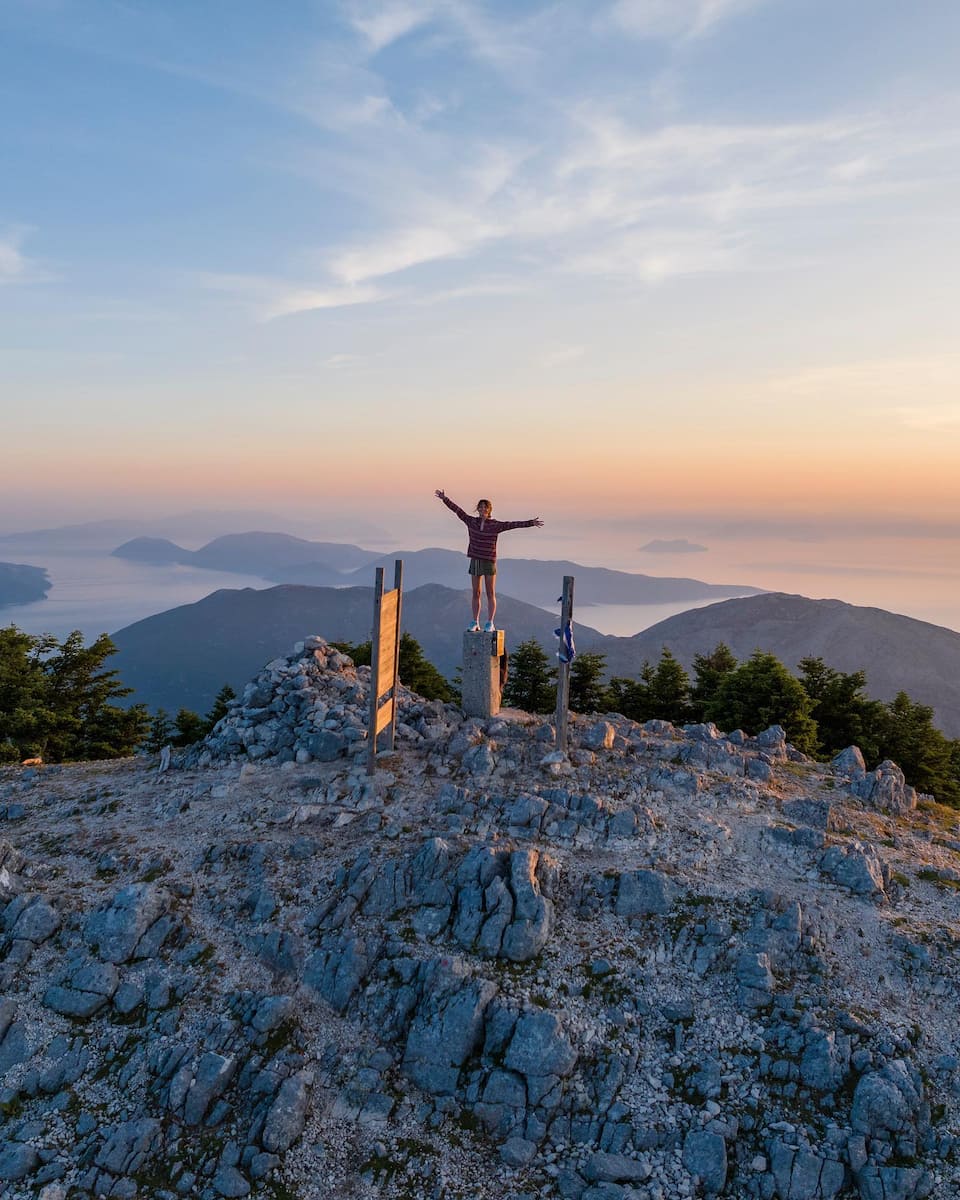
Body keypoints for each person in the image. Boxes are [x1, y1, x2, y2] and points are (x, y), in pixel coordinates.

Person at [435, 489, 543, 631]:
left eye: (485, 507)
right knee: (476, 593)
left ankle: (490, 622)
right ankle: (475, 622)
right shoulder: (471, 521)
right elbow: (458, 511)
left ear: (490, 510)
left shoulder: (495, 525)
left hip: (489, 561)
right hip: (475, 560)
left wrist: (530, 523)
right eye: (480, 507)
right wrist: (445, 499)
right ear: (478, 509)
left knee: (490, 593)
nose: (483, 509)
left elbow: (512, 524)